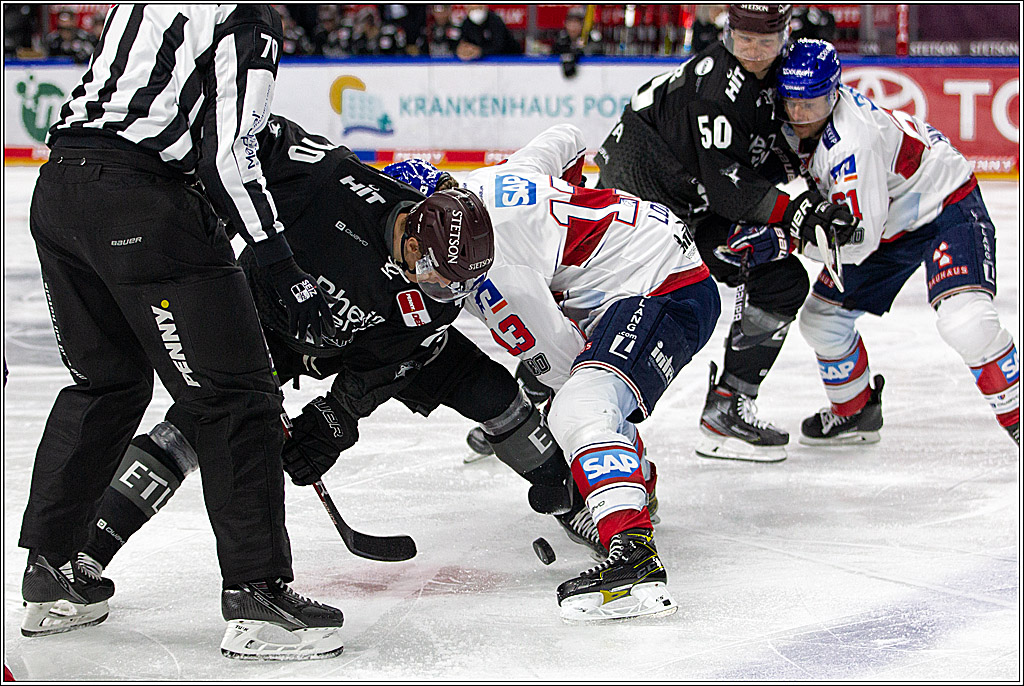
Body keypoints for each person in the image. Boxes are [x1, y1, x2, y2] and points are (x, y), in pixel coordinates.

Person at [77, 116, 580, 602]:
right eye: (440, 276)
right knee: (194, 425)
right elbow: (244, 139)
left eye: (459, 282)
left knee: (490, 390)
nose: (449, 291)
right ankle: (88, 551)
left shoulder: (438, 293)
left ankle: (574, 495)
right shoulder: (327, 180)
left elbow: (391, 363)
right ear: (411, 239)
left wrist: (335, 419)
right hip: (264, 322)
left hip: (367, 342)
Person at [20, 5, 342, 661]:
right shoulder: (245, 16)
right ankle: (257, 596)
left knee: (104, 384)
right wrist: (284, 270)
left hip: (58, 193)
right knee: (235, 398)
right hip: (140, 202)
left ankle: (50, 576)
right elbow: (228, 153)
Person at [456, 123, 721, 621]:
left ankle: (633, 550)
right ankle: (636, 485)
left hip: (662, 287)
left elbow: (559, 364)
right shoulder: (494, 178)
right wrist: (574, 223)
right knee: (590, 393)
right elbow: (567, 137)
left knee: (579, 403)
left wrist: (575, 472)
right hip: (658, 252)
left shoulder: (487, 272)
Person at [594, 4, 858, 463]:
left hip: (690, 201)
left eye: (766, 42)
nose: (754, 53)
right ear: (728, 31)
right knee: (615, 307)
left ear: (785, 36)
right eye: (744, 40)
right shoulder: (717, 88)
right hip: (638, 205)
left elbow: (752, 158)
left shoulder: (778, 72)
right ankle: (533, 401)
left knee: (779, 277)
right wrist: (798, 213)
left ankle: (726, 408)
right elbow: (730, 189)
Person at [754, 39, 1018, 445]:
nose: (801, 115)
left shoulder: (851, 144)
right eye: (793, 102)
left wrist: (786, 241)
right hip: (892, 217)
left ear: (835, 93)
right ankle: (856, 410)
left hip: (943, 202)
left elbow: (859, 239)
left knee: (966, 321)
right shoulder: (789, 120)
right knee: (822, 321)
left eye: (814, 103)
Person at [456, 5, 522, 61]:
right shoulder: (466, 24)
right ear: (467, 11)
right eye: (472, 9)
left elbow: (499, 45)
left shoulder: (495, 21)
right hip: (480, 62)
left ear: (485, 7)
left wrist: (480, 51)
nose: (476, 12)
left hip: (508, 58)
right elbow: (463, 41)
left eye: (479, 8)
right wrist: (463, 50)